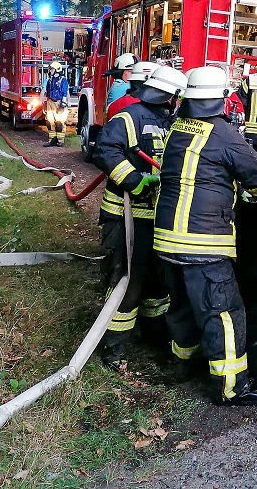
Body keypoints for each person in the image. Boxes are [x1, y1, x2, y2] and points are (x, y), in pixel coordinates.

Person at [154, 66, 257, 405]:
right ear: (221, 99)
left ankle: (183, 363)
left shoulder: (176, 127)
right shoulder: (224, 134)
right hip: (204, 241)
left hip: (166, 237)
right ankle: (232, 386)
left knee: (183, 304)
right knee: (224, 312)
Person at [92, 66, 188, 370]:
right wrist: (135, 180)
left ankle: (152, 337)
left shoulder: (171, 122)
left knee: (156, 282)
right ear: (171, 97)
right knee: (126, 281)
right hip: (125, 216)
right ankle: (112, 348)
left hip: (156, 217)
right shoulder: (129, 118)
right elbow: (104, 150)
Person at [43, 60, 70, 147]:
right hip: (50, 102)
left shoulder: (63, 80)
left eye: (52, 69)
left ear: (57, 70)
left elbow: (65, 93)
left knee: (59, 123)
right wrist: (45, 104)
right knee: (49, 122)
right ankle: (52, 140)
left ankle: (60, 141)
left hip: (59, 103)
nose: (50, 71)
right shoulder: (50, 80)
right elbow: (47, 92)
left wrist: (63, 104)